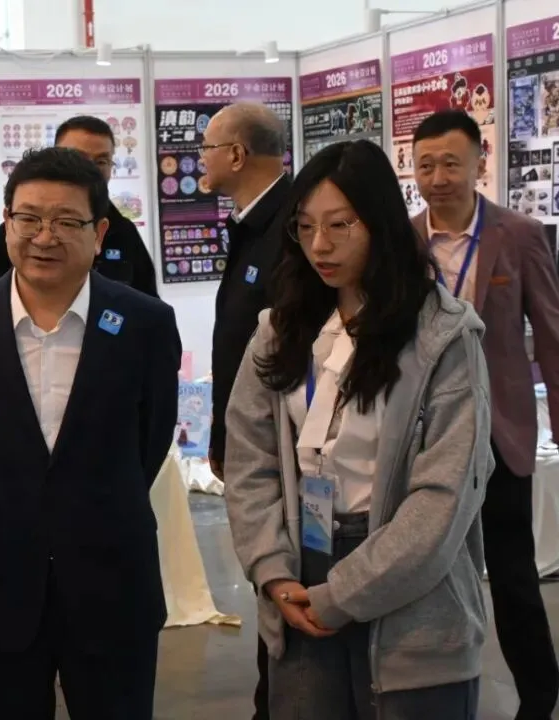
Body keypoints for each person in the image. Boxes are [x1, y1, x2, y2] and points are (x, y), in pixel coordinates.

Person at [224, 139, 492, 719]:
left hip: (410, 589)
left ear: (381, 224)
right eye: (305, 227)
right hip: (301, 572)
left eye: (340, 225)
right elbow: (250, 461)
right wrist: (272, 572)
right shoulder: (281, 331)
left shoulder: (442, 338)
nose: (320, 245)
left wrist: (344, 593)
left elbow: (442, 499)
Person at [0, 146, 180, 720]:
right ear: (7, 222)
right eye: (29, 218)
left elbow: (150, 440)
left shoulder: (145, 323)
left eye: (67, 222)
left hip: (112, 576)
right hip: (2, 575)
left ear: (100, 233)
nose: (45, 237)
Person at [412, 109, 559, 720]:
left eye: (451, 163)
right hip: (424, 435)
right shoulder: (403, 241)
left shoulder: (520, 235)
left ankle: (539, 698)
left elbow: (551, 335)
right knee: (425, 569)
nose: (438, 178)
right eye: (425, 165)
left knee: (513, 573)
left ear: (479, 162)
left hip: (499, 432)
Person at [203, 100, 292, 720]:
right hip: (250, 440)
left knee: (280, 571)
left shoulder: (287, 226)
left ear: (236, 154)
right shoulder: (251, 225)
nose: (200, 161)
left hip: (281, 446)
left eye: (207, 149)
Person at [0, 115, 159, 297]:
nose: (44, 240)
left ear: (99, 232)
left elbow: (146, 304)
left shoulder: (124, 233)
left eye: (101, 162)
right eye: (77, 158)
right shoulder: (15, 234)